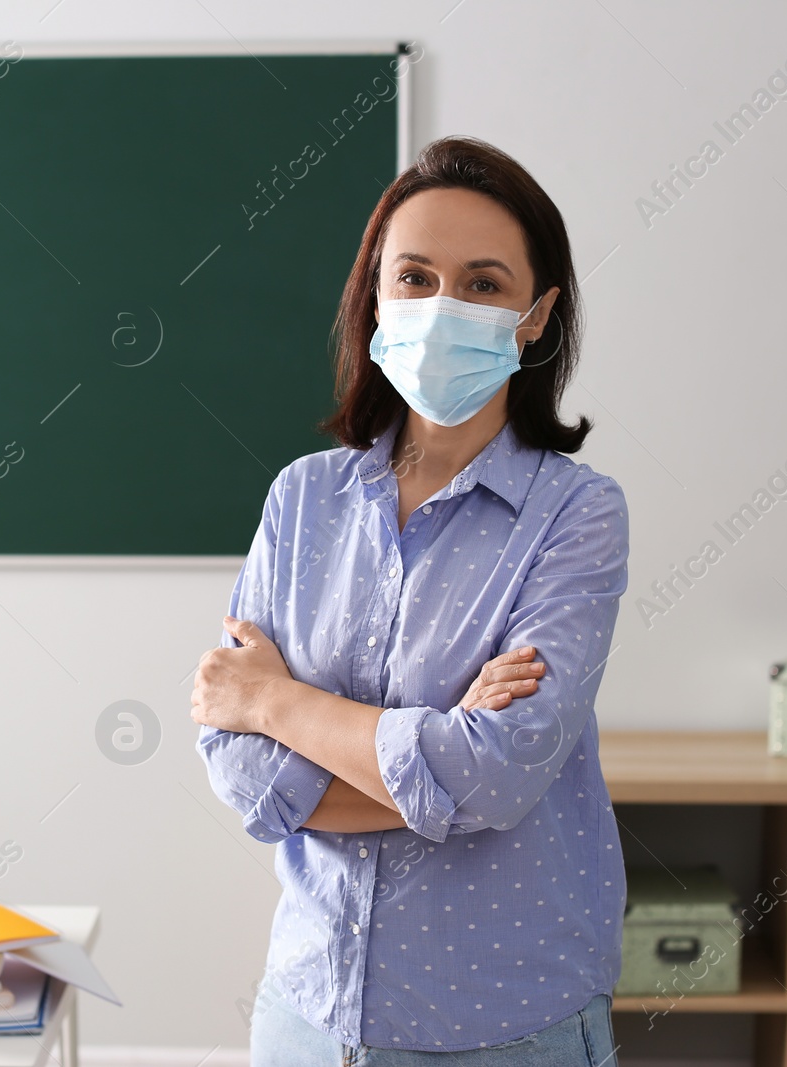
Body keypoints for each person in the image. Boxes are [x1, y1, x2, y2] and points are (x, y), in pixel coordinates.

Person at [192, 135, 628, 1065]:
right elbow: (243, 772)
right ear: (377, 298)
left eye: (482, 283)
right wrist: (437, 763)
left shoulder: (577, 516)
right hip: (307, 1016)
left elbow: (498, 773)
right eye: (416, 277)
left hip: (505, 1027)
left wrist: (277, 702)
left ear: (537, 315)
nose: (443, 307)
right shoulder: (302, 497)